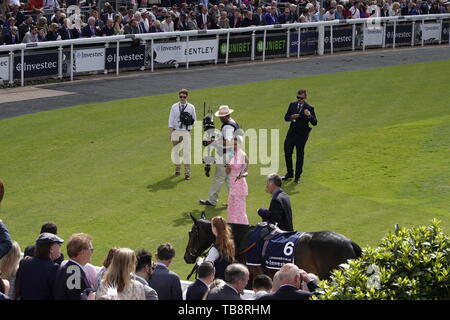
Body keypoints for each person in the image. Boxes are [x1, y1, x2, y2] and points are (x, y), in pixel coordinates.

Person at [200, 105, 241, 206]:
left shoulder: (227, 127)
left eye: (221, 116)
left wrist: (213, 141)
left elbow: (228, 141)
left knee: (219, 178)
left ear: (226, 116)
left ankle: (212, 200)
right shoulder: (233, 122)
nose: (220, 118)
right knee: (229, 179)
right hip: (232, 154)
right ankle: (234, 201)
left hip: (226, 154)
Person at [282, 89, 318, 184]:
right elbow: (286, 117)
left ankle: (297, 176)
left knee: (299, 155)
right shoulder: (292, 105)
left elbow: (314, 123)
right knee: (287, 152)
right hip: (291, 133)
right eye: (298, 97)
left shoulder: (309, 108)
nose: (299, 99)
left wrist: (309, 115)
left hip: (302, 135)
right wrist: (291, 117)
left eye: (301, 98)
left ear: (305, 97)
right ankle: (290, 173)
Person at [14, 233, 63, 300]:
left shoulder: (25, 262)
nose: (60, 248)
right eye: (59, 245)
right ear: (51, 249)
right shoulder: (54, 268)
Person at [53, 233, 94, 300]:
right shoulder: (75, 275)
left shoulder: (67, 267)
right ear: (82, 252)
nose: (92, 252)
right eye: (91, 249)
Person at [168, 89, 196, 180]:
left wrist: (189, 122)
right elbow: (171, 120)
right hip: (176, 131)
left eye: (184, 97)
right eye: (180, 97)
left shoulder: (191, 107)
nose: (182, 98)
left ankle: (187, 173)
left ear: (187, 97)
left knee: (186, 153)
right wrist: (170, 132)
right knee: (176, 152)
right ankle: (177, 170)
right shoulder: (174, 106)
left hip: (186, 132)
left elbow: (194, 120)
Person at [225, 136, 249, 224]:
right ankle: (232, 227)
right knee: (231, 209)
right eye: (232, 144)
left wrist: (242, 175)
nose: (234, 146)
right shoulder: (230, 154)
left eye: (235, 144)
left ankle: (244, 228)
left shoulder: (243, 155)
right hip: (232, 185)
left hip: (240, 185)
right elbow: (227, 172)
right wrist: (228, 163)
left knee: (240, 210)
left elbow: (246, 171)